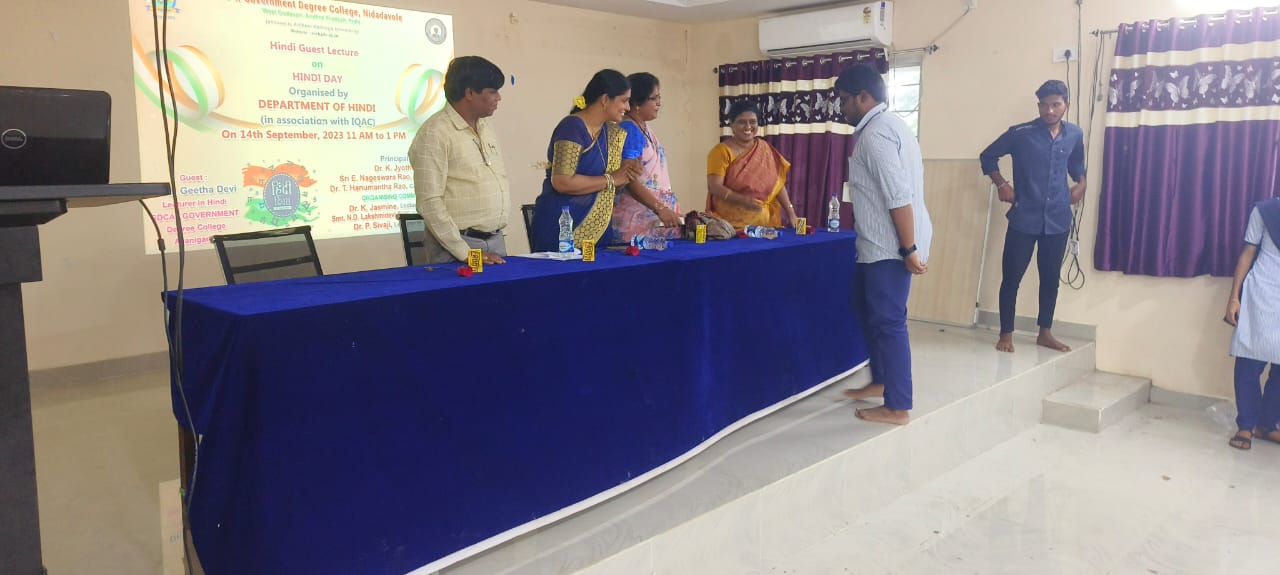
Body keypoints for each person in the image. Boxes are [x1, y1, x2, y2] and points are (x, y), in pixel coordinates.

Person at [835, 64, 932, 426]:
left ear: (864, 97)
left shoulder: (876, 135)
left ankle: (898, 405)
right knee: (868, 311)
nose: (842, 108)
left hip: (889, 249)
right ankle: (881, 380)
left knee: (889, 322)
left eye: (845, 100)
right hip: (878, 245)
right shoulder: (891, 126)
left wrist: (908, 249)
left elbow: (898, 196)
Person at [979, 79, 1086, 353]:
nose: (1049, 111)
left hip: (1058, 219)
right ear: (1038, 106)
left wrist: (1081, 184)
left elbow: (1076, 165)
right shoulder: (1021, 133)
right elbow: (988, 156)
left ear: (1066, 105)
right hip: (1024, 218)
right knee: (1011, 278)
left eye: (1055, 105)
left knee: (1050, 278)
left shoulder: (1074, 134)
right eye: (1044, 105)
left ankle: (1045, 332)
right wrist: (1001, 184)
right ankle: (1006, 334)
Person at [409, 56, 510, 265]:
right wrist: (466, 254)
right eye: (492, 91)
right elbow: (429, 202)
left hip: (495, 242)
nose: (498, 98)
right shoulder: (435, 133)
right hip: (458, 248)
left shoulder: (485, 127)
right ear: (470, 93)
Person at [530, 69, 640, 252]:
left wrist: (627, 173)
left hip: (599, 231)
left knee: (598, 271)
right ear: (605, 99)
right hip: (563, 230)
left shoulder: (612, 133)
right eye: (624, 100)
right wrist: (611, 179)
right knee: (567, 272)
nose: (628, 107)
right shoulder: (572, 127)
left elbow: (611, 186)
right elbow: (562, 181)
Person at [1223, 198, 1280, 450]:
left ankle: (1266, 425)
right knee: (1249, 362)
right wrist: (1234, 297)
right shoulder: (1266, 210)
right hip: (1262, 292)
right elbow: (1248, 252)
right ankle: (1245, 425)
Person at [610, 72, 681, 243]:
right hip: (638, 219)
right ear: (636, 103)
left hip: (655, 215)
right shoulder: (630, 130)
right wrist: (660, 208)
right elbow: (629, 178)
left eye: (659, 97)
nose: (659, 103)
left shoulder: (643, 128)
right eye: (654, 98)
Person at [705, 100, 798, 230]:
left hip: (764, 227)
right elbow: (714, 187)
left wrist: (791, 213)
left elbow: (777, 184)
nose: (748, 126)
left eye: (753, 122)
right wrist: (744, 201)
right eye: (742, 122)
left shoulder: (765, 149)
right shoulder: (721, 151)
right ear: (732, 125)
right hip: (730, 228)